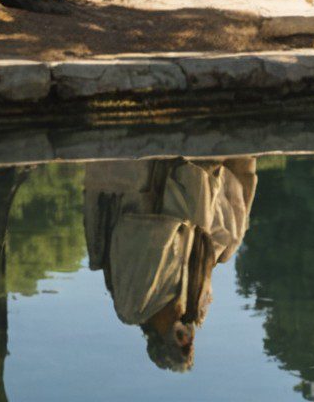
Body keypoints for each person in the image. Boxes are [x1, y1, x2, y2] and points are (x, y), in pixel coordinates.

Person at [83, 156, 258, 371]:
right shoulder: (193, 309)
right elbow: (202, 260)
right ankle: (228, 163)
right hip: (190, 228)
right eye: (190, 347)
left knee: (197, 217)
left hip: (153, 218)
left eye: (183, 348)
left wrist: (188, 233)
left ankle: (197, 173)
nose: (189, 342)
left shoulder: (132, 307)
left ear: (161, 342)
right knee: (228, 248)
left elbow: (138, 242)